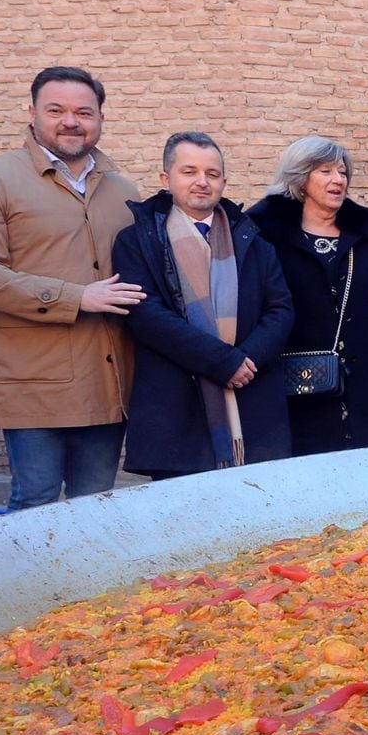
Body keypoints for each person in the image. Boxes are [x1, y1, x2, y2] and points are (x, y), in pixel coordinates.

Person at [0, 67, 144, 510]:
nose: (70, 121)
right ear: (32, 112)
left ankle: (94, 582)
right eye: (56, 110)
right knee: (35, 502)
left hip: (106, 379)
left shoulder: (122, 190)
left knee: (97, 504)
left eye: (84, 112)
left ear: (100, 119)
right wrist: (77, 297)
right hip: (32, 380)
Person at [110, 132, 295, 477]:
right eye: (189, 171)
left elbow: (281, 309)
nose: (202, 182)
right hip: (177, 406)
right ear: (165, 178)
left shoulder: (252, 237)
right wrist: (223, 362)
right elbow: (145, 315)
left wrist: (245, 360)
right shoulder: (136, 240)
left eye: (212, 174)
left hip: (251, 395)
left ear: (224, 181)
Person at [248, 136, 368, 455]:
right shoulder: (266, 235)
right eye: (325, 171)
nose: (338, 179)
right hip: (297, 380)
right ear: (300, 178)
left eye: (342, 172)